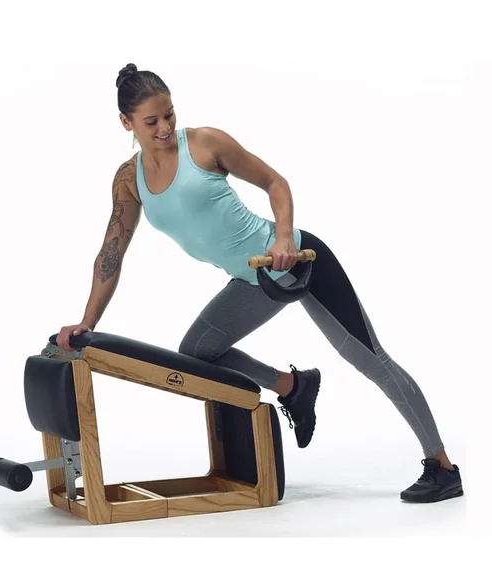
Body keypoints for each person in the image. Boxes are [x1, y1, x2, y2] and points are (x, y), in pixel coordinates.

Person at [56, 63, 463, 504]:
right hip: (252, 280)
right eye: (151, 121)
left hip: (298, 262)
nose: (165, 128)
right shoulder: (128, 180)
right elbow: (111, 254)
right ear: (127, 123)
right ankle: (293, 388)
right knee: (197, 352)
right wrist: (87, 322)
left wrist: (284, 238)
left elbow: (275, 182)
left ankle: (442, 467)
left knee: (370, 359)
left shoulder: (204, 143)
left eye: (169, 115)